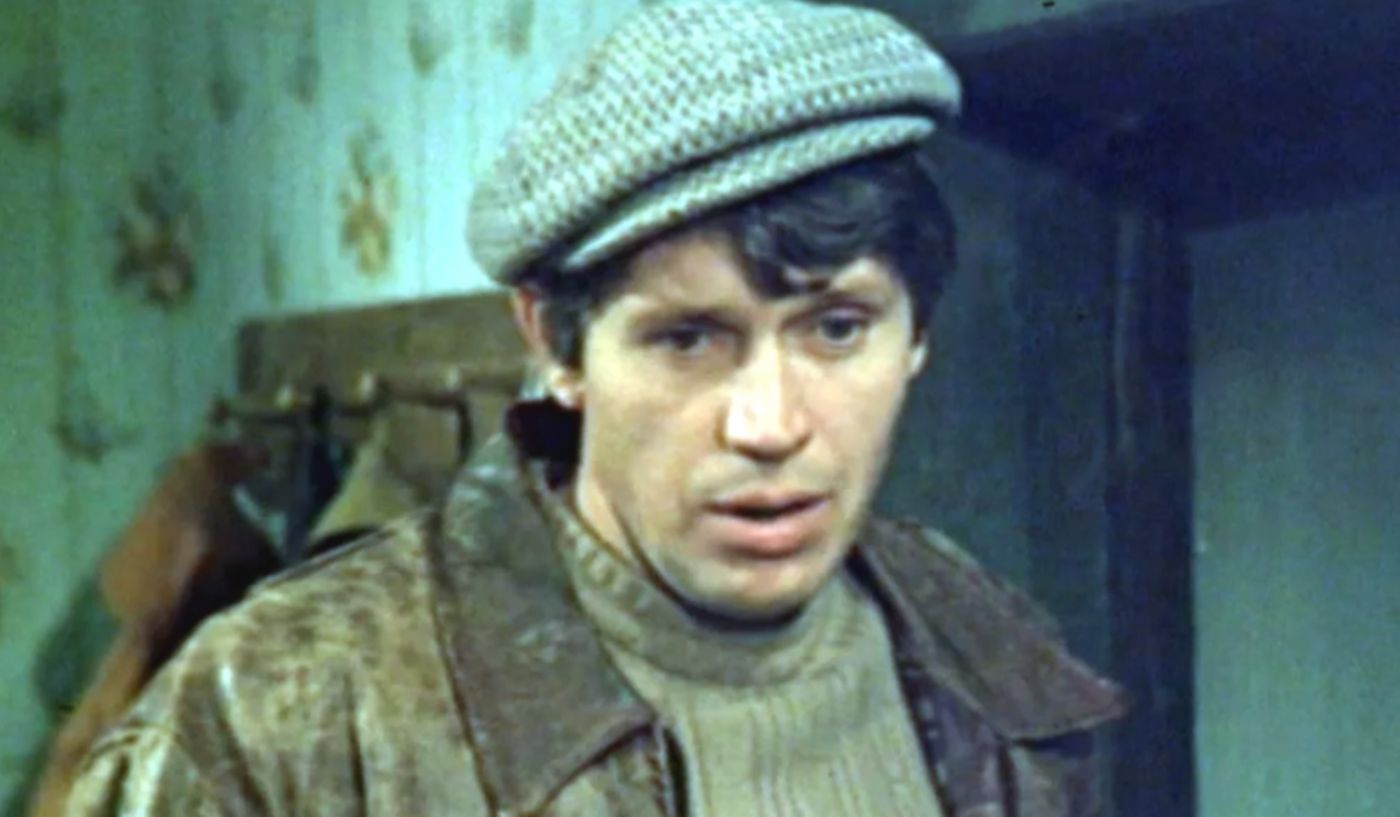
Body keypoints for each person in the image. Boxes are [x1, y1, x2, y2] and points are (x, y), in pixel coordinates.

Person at [66, 1, 1125, 815]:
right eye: (687, 339)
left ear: (918, 331)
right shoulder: (277, 712)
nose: (768, 425)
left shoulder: (996, 660)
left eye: (836, 328)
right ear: (555, 345)